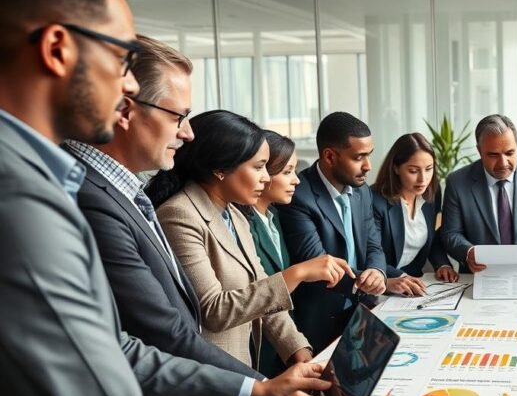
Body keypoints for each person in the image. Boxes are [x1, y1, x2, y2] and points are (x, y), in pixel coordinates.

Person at [0, 0, 341, 396]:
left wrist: (255, 392)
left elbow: (113, 349)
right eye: (120, 59)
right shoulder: (20, 200)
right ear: (57, 48)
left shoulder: (42, 180)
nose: (129, 86)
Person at [65, 34, 260, 378]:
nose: (187, 133)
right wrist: (262, 390)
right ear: (126, 109)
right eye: (178, 117)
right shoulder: (90, 199)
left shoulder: (121, 191)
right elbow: (163, 333)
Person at [148, 110, 352, 367]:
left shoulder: (235, 213)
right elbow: (213, 310)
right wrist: (296, 274)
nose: (266, 177)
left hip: (242, 367)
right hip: (212, 375)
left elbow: (261, 291)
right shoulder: (179, 216)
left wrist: (297, 349)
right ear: (221, 168)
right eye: (258, 167)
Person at [277, 112, 388, 354]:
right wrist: (367, 283)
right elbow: (321, 266)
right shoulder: (298, 196)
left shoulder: (362, 191)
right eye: (359, 157)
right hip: (319, 324)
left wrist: (377, 272)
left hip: (361, 313)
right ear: (329, 156)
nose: (368, 166)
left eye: (369, 155)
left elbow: (373, 246)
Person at [440, 114, 517, 273]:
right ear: (479, 150)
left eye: (510, 153)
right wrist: (468, 252)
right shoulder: (457, 182)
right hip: (480, 274)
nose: (503, 163)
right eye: (493, 155)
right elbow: (451, 232)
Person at [370, 132, 459, 294]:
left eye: (429, 169)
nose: (423, 179)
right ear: (396, 168)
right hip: (383, 284)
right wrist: (400, 277)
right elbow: (371, 253)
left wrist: (442, 264)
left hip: (416, 282)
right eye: (413, 171)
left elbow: (432, 238)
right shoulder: (374, 200)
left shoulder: (432, 193)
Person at [247, 129, 300, 377]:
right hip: (258, 348)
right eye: (288, 172)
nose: (296, 180)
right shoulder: (244, 225)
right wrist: (300, 273)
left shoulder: (274, 217)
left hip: (284, 340)